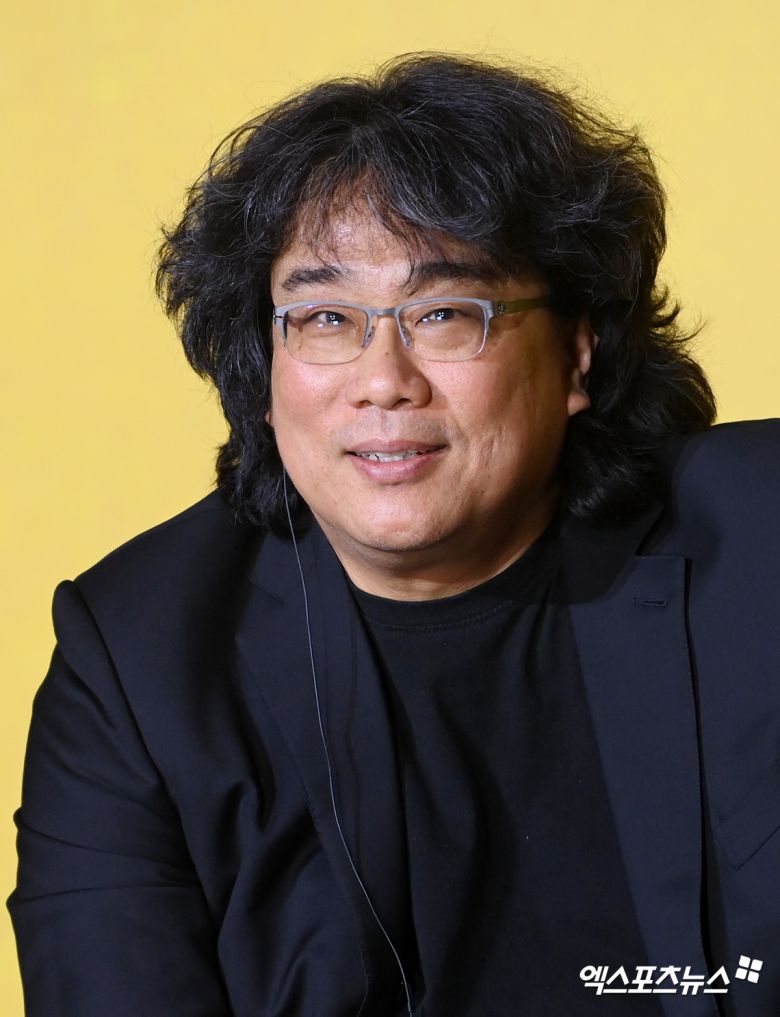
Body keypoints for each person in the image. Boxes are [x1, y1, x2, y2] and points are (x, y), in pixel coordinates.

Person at [8, 53, 779, 1017]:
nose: (383, 380)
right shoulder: (138, 659)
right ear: (263, 370)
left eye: (447, 313)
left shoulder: (763, 541)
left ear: (578, 350)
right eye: (325, 317)